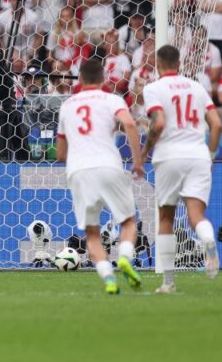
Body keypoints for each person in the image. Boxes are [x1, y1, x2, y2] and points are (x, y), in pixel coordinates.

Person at [55, 58, 144, 295]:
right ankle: (124, 257)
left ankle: (108, 278)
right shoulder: (112, 100)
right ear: (103, 78)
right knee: (127, 221)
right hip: (109, 165)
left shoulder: (67, 105)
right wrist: (137, 162)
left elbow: (60, 153)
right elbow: (131, 125)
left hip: (79, 170)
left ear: (80, 79)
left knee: (92, 233)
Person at [142, 45, 222, 293]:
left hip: (169, 156)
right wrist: (209, 155)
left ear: (158, 63)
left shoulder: (153, 88)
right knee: (196, 215)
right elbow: (217, 124)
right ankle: (207, 239)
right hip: (198, 155)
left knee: (165, 217)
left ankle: (168, 282)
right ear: (179, 63)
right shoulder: (197, 87)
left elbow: (158, 124)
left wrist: (145, 151)